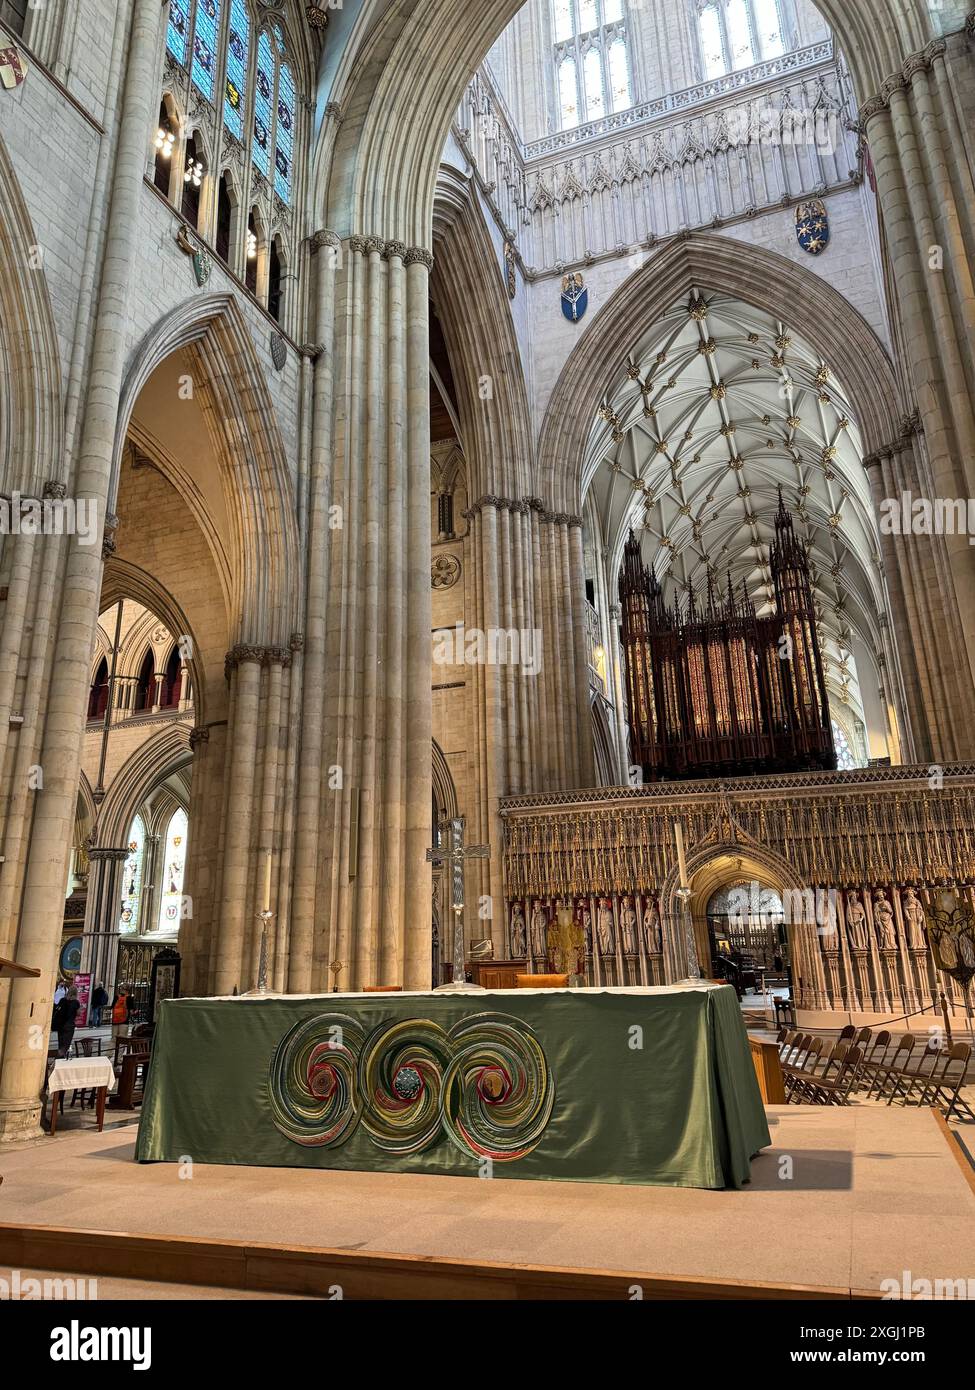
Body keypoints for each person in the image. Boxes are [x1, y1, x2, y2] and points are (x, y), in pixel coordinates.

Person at [52, 986, 81, 1058]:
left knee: (61, 1044)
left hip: (61, 1025)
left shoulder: (62, 1000)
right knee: (66, 1045)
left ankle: (59, 1060)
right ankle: (58, 1058)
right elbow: (78, 1014)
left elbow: (57, 1010)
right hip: (69, 1026)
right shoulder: (76, 1002)